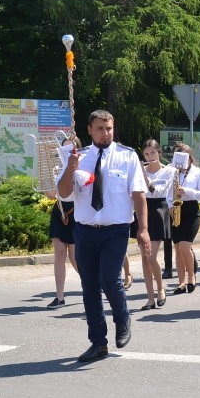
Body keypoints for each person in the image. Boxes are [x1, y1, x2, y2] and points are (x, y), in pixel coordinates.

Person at [57, 110, 151, 363]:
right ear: (89, 130)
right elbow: (63, 192)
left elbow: (139, 194)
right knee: (89, 287)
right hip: (85, 230)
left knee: (109, 279)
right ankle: (98, 342)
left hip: (116, 230)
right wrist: (70, 168)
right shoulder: (78, 157)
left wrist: (143, 229)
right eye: (100, 128)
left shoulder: (127, 156)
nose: (105, 133)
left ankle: (122, 318)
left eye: (108, 128)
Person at [47, 138, 82, 308]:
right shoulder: (56, 169)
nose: (67, 150)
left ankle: (91, 285)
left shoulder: (82, 167)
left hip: (75, 211)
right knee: (59, 254)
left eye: (71, 148)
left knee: (75, 257)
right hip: (59, 210)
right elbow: (50, 195)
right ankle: (59, 296)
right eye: (65, 147)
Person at [168, 143, 200, 295]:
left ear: (190, 158)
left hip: (191, 209)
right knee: (177, 248)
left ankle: (191, 277)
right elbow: (167, 191)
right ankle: (181, 283)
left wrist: (187, 191)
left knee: (185, 246)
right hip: (176, 210)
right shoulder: (172, 171)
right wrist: (170, 205)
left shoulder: (197, 172)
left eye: (184, 156)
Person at [138, 139, 171, 310]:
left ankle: (161, 288)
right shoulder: (140, 170)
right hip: (142, 211)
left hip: (158, 210)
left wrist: (144, 177)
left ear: (159, 153)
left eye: (153, 153)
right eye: (146, 154)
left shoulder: (168, 171)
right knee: (144, 257)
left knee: (151, 256)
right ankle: (150, 297)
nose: (149, 156)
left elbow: (158, 191)